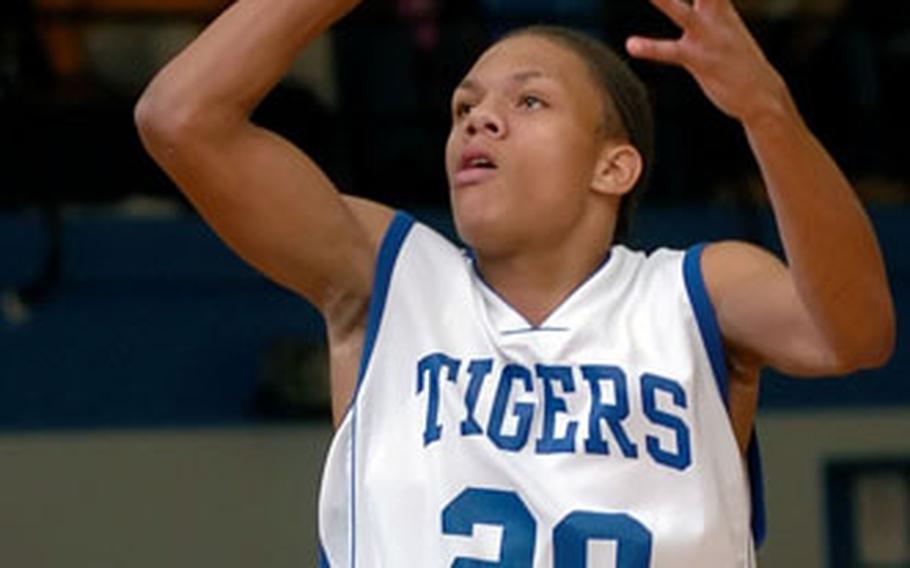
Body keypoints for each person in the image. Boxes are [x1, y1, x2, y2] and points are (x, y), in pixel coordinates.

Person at [134, 0, 895, 565]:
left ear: (614, 166)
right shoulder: (387, 277)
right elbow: (180, 117)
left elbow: (854, 335)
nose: (479, 120)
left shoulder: (692, 293)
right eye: (464, 106)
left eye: (528, 101)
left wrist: (766, 109)